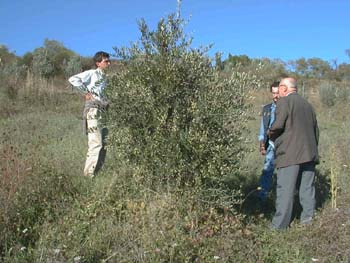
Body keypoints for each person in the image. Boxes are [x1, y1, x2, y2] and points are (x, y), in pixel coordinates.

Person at [268, 77, 319, 230]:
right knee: (307, 189)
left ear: (284, 88)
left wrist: (270, 135)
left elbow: (277, 125)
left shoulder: (284, 102)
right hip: (309, 153)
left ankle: (280, 226)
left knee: (285, 190)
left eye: (280, 89)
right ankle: (307, 222)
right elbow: (316, 131)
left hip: (290, 154)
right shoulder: (308, 105)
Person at [68, 51, 111, 177]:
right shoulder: (92, 73)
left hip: (103, 111)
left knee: (104, 144)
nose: (109, 63)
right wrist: (86, 92)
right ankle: (88, 175)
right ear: (98, 63)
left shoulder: (104, 78)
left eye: (109, 61)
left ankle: (97, 173)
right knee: (95, 143)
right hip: (94, 110)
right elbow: (73, 79)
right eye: (106, 61)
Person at [257, 81, 280, 201]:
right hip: (270, 145)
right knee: (267, 171)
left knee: (283, 174)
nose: (275, 96)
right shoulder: (267, 109)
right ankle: (262, 199)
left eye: (278, 93)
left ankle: (282, 199)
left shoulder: (287, 108)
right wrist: (262, 144)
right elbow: (262, 128)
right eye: (273, 93)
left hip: (284, 146)